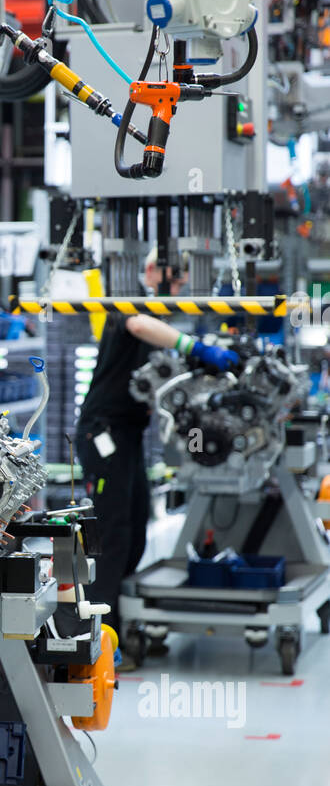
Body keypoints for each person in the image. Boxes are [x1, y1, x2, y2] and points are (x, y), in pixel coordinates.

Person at [75, 260, 238, 668]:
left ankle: (126, 627)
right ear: (150, 271)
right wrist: (194, 347)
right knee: (113, 533)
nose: (183, 284)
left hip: (127, 436)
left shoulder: (158, 318)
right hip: (103, 434)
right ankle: (102, 646)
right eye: (178, 276)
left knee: (135, 525)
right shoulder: (131, 309)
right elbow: (139, 327)